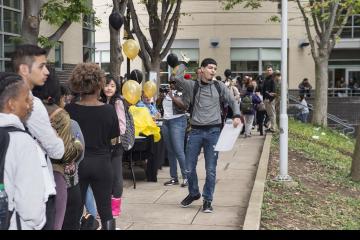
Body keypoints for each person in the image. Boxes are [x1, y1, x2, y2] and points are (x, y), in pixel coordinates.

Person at [173, 58, 241, 213]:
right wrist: (184, 63)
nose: (213, 71)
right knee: (189, 168)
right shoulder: (192, 85)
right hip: (195, 132)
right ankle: (194, 193)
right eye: (210, 68)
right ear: (202, 69)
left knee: (210, 169)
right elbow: (177, 78)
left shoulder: (219, 86)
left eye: (215, 68)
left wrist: (236, 114)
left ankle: (207, 200)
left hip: (213, 132)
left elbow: (232, 100)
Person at [13, 44, 64, 230]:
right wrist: (54, 135)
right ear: (24, 69)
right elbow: (57, 150)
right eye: (42, 66)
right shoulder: (32, 104)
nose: (47, 72)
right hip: (36, 194)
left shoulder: (11, 99)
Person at [65, 63, 120, 230]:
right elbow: (114, 140)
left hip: (78, 165)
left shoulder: (69, 109)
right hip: (102, 163)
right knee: (106, 211)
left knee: (74, 211)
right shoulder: (109, 110)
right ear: (99, 84)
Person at [32, 67, 83, 230]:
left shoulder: (23, 107)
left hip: (27, 175)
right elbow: (65, 154)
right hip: (54, 175)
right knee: (55, 224)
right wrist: (77, 145)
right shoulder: (59, 114)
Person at [0, 73, 47, 230]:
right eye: (26, 99)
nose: (30, 105)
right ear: (11, 104)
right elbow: (31, 208)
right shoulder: (22, 141)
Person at [100, 75, 128, 218]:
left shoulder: (117, 102)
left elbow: (122, 126)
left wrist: (109, 134)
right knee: (105, 176)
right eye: (106, 85)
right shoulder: (101, 101)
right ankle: (104, 207)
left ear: (116, 88)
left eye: (112, 85)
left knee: (116, 176)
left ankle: (115, 208)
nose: (109, 88)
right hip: (103, 146)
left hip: (115, 145)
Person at [157, 76, 188, 187]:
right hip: (166, 122)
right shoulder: (167, 92)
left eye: (173, 82)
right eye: (170, 82)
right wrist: (161, 96)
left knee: (179, 151)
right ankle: (174, 178)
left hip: (178, 121)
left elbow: (184, 106)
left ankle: (186, 177)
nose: (171, 83)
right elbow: (158, 105)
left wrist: (172, 97)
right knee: (170, 151)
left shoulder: (181, 92)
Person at [262, 65, 277, 133]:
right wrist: (264, 99)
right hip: (266, 99)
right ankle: (271, 127)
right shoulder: (266, 79)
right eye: (268, 70)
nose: (269, 71)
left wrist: (270, 100)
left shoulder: (273, 79)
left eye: (270, 70)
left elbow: (274, 91)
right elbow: (264, 89)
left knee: (272, 114)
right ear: (266, 71)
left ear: (272, 71)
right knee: (269, 114)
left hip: (270, 100)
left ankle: (273, 128)